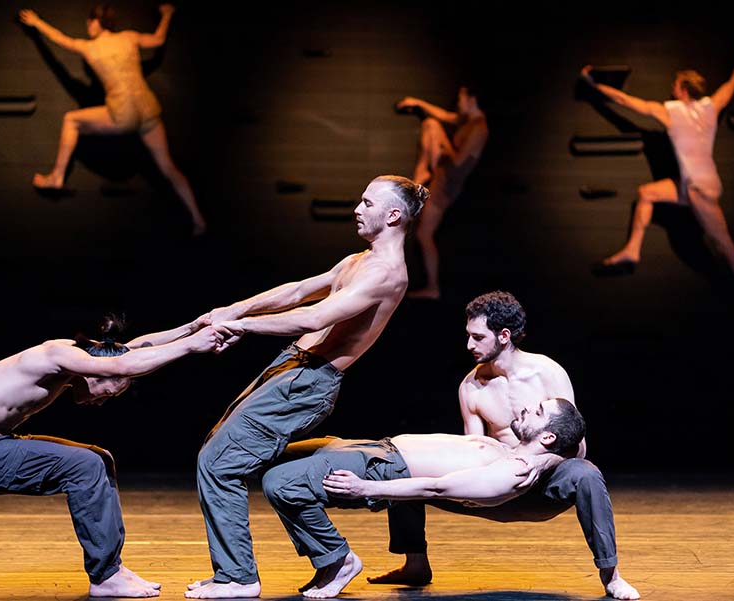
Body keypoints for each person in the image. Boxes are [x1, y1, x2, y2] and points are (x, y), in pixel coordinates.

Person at [184, 175, 427, 599]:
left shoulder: (387, 274)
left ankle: (238, 577)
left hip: (308, 381)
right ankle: (331, 559)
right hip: (290, 368)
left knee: (219, 463)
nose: (357, 208)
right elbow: (298, 291)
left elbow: (315, 318)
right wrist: (235, 307)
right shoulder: (358, 260)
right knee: (233, 462)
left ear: (392, 215)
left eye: (367, 203)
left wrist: (241, 326)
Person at [369, 291, 639, 599]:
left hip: (544, 484)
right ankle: (415, 564)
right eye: (468, 336)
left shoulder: (547, 373)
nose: (469, 345)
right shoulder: (471, 387)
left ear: (504, 336)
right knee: (406, 466)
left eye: (478, 337)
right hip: (498, 487)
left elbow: (576, 443)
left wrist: (539, 463)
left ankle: (611, 575)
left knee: (586, 473)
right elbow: (472, 448)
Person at [0, 315, 228, 598]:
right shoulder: (54, 355)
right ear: (94, 372)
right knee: (84, 465)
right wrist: (191, 345)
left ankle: (112, 568)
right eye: (106, 392)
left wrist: (189, 328)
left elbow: (130, 350)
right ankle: (105, 577)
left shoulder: (80, 355)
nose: (101, 401)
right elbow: (122, 362)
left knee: (99, 459)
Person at [261, 397, 586, 599]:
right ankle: (327, 563)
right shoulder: (508, 448)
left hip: (383, 467)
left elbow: (434, 488)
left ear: (548, 437)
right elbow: (569, 447)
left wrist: (366, 488)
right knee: (274, 454)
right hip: (378, 447)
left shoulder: (512, 473)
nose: (529, 407)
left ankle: (337, 559)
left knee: (279, 482)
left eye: (539, 411)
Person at [581, 41, 734, 320]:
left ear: (682, 89)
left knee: (721, 244)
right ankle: (632, 251)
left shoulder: (670, 111)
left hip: (698, 188)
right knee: (648, 193)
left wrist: (592, 84)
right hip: (693, 183)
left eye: (675, 85)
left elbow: (625, 101)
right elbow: (733, 82)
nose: (672, 89)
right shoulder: (711, 106)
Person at [18, 4, 207, 235]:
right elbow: (158, 39)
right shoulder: (129, 37)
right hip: (148, 110)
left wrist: (37, 22)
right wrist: (167, 15)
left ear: (98, 22)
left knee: (71, 119)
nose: (87, 26)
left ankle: (57, 176)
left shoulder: (90, 47)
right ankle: (198, 219)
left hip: (124, 112)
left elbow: (60, 39)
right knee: (169, 167)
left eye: (89, 22)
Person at [394, 86, 488, 299]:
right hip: (441, 175)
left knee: (424, 234)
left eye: (461, 98)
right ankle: (422, 173)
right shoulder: (468, 120)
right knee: (431, 123)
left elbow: (457, 162)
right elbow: (445, 115)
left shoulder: (479, 128)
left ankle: (432, 287)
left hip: (447, 184)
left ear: (472, 99)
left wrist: (443, 146)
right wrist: (417, 102)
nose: (458, 102)